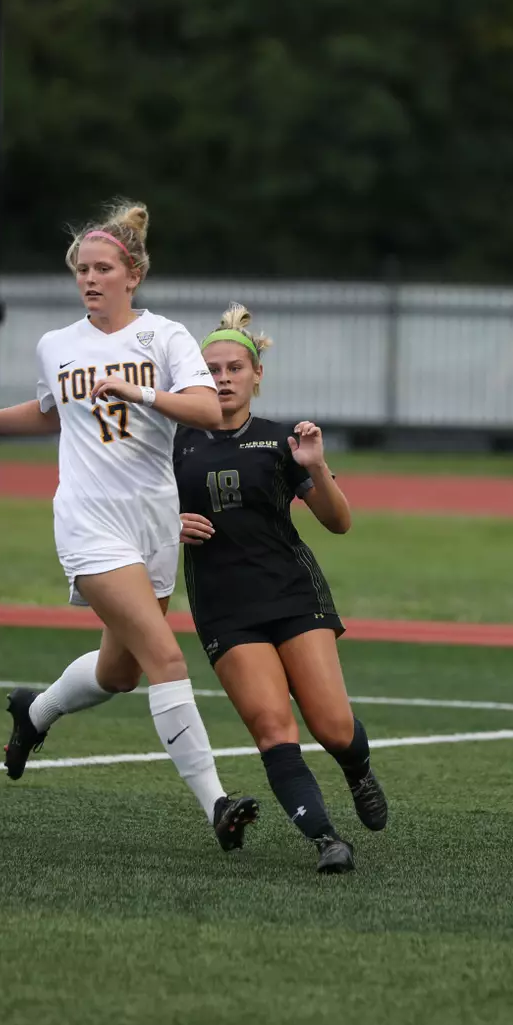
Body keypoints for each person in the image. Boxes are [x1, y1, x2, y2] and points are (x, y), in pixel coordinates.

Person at [0, 199, 260, 852]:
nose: (90, 278)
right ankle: (216, 805)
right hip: (88, 523)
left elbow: (207, 412)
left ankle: (36, 711)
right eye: (82, 268)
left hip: (154, 522)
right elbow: (52, 412)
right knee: (165, 654)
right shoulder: (58, 345)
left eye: (103, 268)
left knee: (122, 672)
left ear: (132, 275)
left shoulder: (163, 337)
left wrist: (140, 392)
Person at [172, 303, 387, 875]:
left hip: (293, 595)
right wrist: (165, 525)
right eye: (210, 369)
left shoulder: (280, 441)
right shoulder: (176, 443)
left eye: (233, 369)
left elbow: (339, 522)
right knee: (273, 728)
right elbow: (135, 509)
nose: (221, 379)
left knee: (334, 727)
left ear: (256, 376)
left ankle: (357, 769)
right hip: (224, 608)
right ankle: (326, 840)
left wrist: (316, 468)